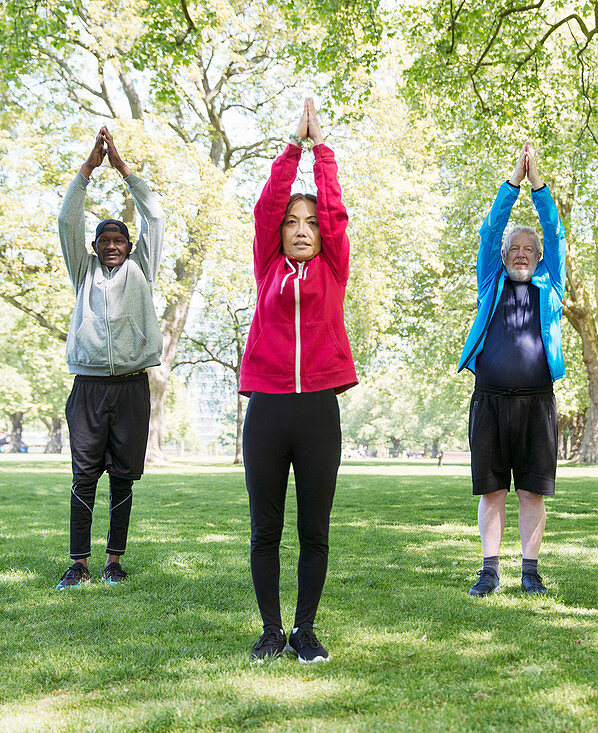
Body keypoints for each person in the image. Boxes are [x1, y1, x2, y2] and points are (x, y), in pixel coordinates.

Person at [239, 98, 357, 663]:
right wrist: (293, 149)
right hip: (267, 409)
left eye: (310, 223)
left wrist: (322, 150)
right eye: (293, 222)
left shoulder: (333, 267)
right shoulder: (267, 266)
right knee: (266, 529)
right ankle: (269, 630)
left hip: (317, 412)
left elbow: (335, 214)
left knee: (314, 528)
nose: (303, 229)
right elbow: (266, 207)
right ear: (279, 233)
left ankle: (304, 631)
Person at [55, 127, 164, 590]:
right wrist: (87, 171)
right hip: (88, 387)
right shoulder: (83, 274)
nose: (113, 244)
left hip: (132, 386)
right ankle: (78, 563)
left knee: (123, 479)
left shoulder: (142, 270)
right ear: (95, 247)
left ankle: (113, 561)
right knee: (84, 478)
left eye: (120, 238)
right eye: (105, 240)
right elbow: (67, 221)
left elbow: (154, 217)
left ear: (131, 246)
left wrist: (122, 169)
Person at [458, 141, 566, 597]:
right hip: (490, 401)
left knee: (531, 493)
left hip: (537, 402)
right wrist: (512, 184)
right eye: (513, 249)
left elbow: (556, 234)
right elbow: (489, 231)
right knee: (493, 491)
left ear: (539, 258)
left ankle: (530, 569)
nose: (521, 253)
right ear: (503, 257)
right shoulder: (490, 280)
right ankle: (489, 570)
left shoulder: (551, 282)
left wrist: (538, 187)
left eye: (529, 249)